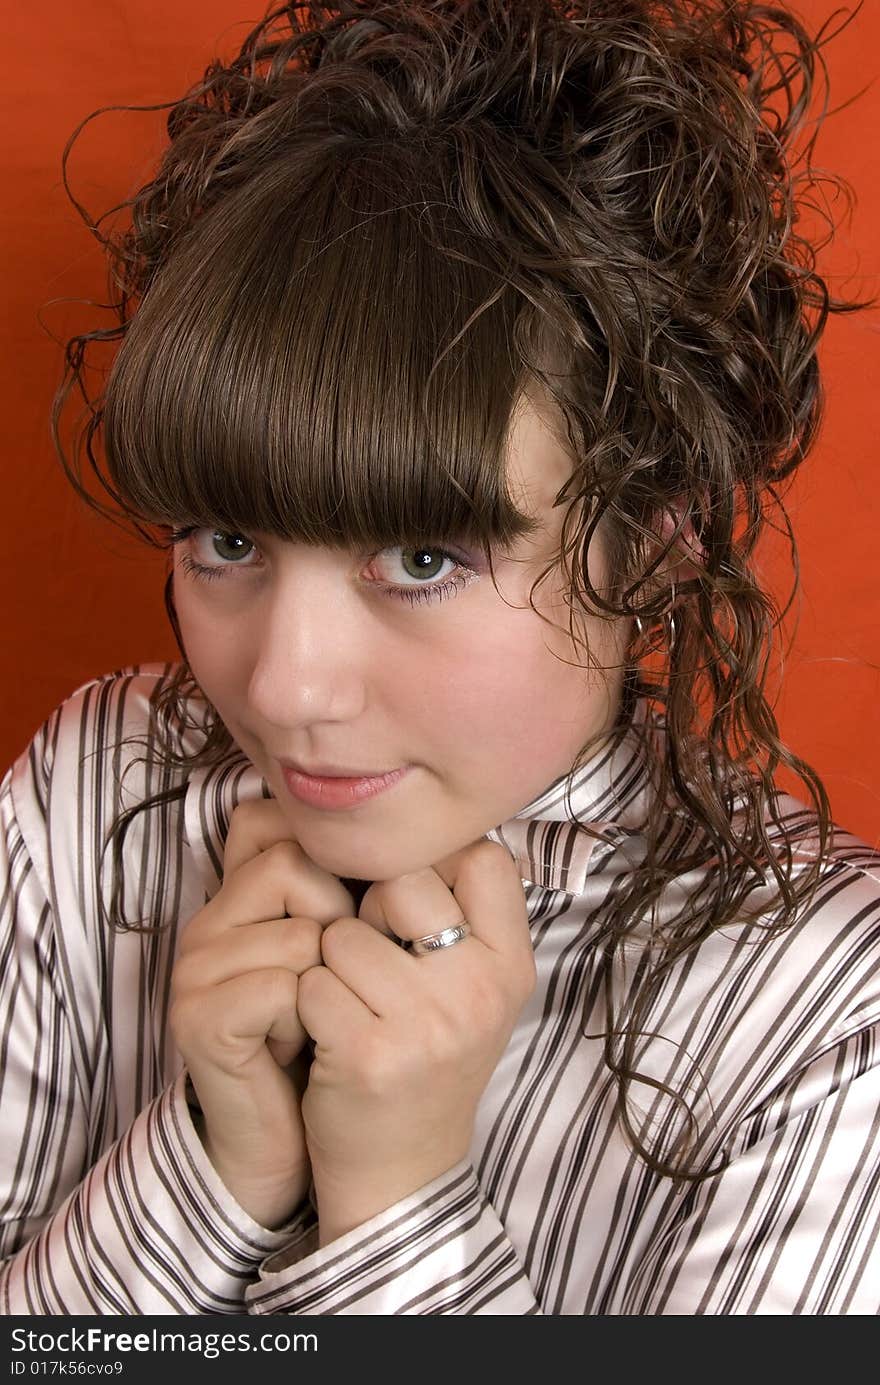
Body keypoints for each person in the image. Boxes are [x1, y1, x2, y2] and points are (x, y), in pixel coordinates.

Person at [1, 0, 878, 1316]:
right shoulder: (92, 801)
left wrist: (400, 1210)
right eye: (227, 538)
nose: (283, 688)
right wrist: (210, 1166)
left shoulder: (829, 1023)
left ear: (651, 538)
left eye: (422, 558)